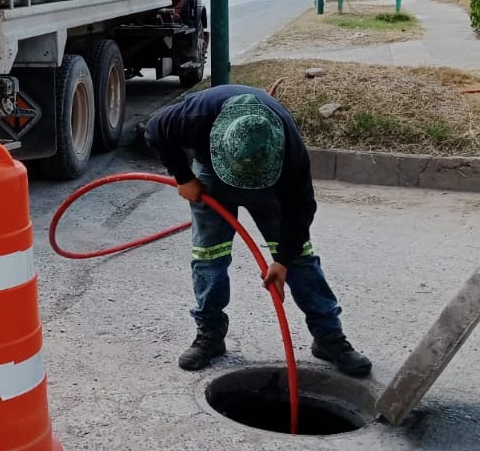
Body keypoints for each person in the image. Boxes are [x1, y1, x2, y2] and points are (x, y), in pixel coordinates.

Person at [145, 85, 372, 376]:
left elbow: (301, 209)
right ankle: (210, 335)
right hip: (212, 175)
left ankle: (329, 338)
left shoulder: (289, 148)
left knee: (300, 259)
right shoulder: (198, 114)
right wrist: (184, 177)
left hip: (269, 186)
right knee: (209, 255)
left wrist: (283, 261)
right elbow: (155, 130)